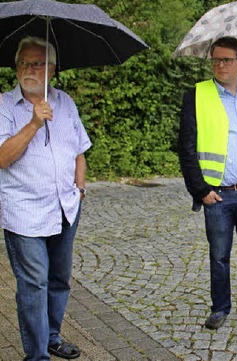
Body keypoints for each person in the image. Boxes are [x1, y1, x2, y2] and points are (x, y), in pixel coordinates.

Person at [0, 36, 91, 360]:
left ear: (52, 68)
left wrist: (79, 191)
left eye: (37, 63)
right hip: (24, 213)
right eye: (23, 62)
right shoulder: (4, 106)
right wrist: (34, 122)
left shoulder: (65, 101)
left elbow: (80, 150)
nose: (29, 69)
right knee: (34, 284)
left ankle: (52, 337)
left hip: (66, 207)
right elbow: (2, 157)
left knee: (58, 280)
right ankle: (36, 355)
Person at [178, 36, 237, 335]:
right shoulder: (197, 94)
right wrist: (200, 190)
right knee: (219, 257)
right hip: (218, 194)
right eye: (216, 60)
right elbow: (186, 147)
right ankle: (220, 308)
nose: (220, 65)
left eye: (227, 60)